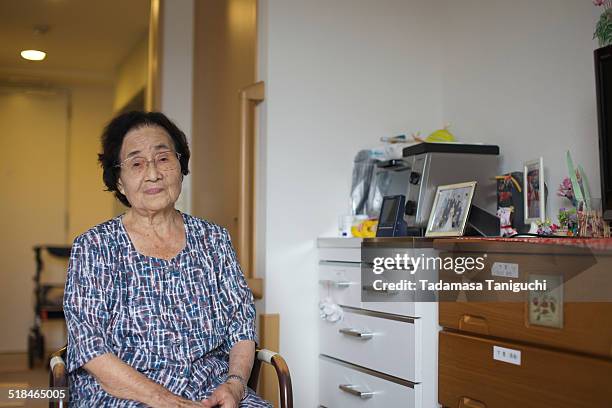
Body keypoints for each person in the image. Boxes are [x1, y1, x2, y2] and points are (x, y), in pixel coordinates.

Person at [63, 111, 271, 407]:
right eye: (136, 163)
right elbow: (89, 346)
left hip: (211, 389)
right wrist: (164, 399)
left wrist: (235, 386)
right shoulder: (95, 246)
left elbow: (241, 327)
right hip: (124, 393)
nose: (153, 173)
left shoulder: (214, 240)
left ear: (180, 166)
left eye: (163, 159)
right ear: (119, 182)